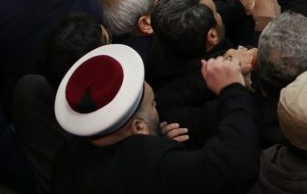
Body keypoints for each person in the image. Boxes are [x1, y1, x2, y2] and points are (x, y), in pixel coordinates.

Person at [51, 44, 261, 194]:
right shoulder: (155, 164)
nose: (158, 106)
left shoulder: (65, 159)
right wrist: (232, 88)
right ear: (139, 127)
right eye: (152, 105)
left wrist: (157, 141)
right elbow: (234, 164)